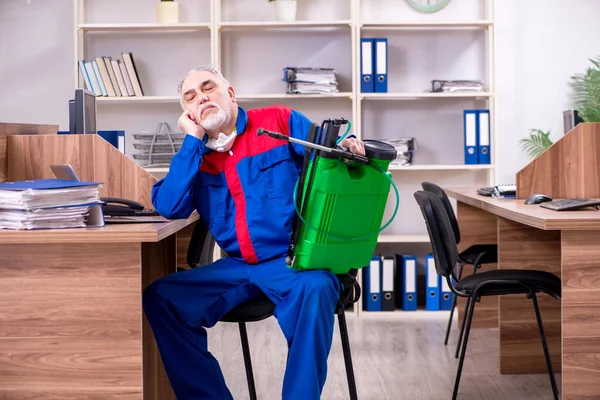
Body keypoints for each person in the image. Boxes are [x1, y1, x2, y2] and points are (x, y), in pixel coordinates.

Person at [143, 65, 365, 400]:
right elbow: (170, 206)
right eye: (191, 97)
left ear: (230, 94)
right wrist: (192, 141)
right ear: (187, 113)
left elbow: (328, 161)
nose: (202, 98)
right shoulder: (195, 156)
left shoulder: (279, 122)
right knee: (162, 298)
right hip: (236, 268)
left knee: (318, 285)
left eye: (208, 88)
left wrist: (347, 148)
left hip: (290, 263)